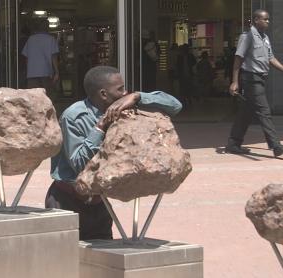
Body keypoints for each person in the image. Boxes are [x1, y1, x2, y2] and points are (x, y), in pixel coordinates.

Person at [46, 65, 182, 240]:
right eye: (120, 89)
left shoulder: (126, 104)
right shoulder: (74, 117)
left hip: (98, 201)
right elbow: (80, 165)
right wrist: (100, 128)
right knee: (64, 258)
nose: (125, 92)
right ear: (104, 94)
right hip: (67, 200)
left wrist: (137, 96)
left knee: (101, 258)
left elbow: (175, 106)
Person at [226, 9, 283, 157]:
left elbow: (271, 58)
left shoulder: (265, 38)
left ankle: (233, 143)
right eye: (265, 19)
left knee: (246, 113)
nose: (268, 22)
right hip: (251, 79)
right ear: (255, 20)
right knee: (264, 112)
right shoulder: (247, 37)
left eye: (268, 19)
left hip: (260, 79)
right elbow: (238, 59)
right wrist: (234, 81)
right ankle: (275, 145)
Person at [22, 18, 59, 95]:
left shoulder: (31, 39)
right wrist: (56, 72)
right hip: (46, 72)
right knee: (46, 96)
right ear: (47, 27)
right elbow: (54, 57)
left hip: (32, 73)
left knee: (32, 96)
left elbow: (26, 57)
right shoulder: (51, 39)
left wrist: (28, 69)